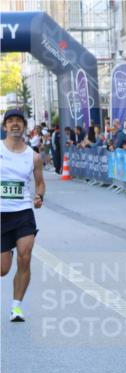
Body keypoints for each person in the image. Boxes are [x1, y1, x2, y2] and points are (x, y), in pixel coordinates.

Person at [1, 109, 45, 323]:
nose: (15, 124)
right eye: (10, 121)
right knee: (2, 269)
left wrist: (39, 196)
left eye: (19, 121)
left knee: (25, 258)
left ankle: (16, 307)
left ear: (24, 126)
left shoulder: (34, 156)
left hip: (23, 213)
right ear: (4, 127)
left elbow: (40, 183)